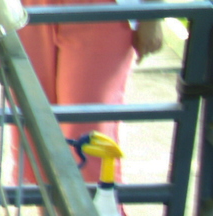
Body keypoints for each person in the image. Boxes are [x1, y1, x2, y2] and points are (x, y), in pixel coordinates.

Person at [16, 0, 164, 185]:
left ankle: (96, 202)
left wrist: (153, 14)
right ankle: (42, 203)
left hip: (102, 9)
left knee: (85, 130)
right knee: (32, 124)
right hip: (26, 8)